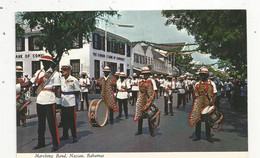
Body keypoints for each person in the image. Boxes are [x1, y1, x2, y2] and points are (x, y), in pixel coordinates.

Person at [20, 54, 61, 152]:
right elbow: (29, 83)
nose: (43, 63)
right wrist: (20, 85)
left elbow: (58, 88)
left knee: (52, 123)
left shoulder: (55, 74)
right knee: (41, 123)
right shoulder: (38, 72)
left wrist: (58, 101)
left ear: (50, 63)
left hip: (50, 100)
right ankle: (41, 142)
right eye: (42, 61)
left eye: (45, 62)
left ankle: (55, 143)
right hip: (40, 100)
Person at [189, 67, 217, 143]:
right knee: (198, 119)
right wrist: (195, 103)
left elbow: (215, 94)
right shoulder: (197, 83)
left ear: (207, 75)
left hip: (208, 103)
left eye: (204, 75)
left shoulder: (212, 83)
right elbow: (194, 94)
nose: (203, 76)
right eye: (202, 75)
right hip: (199, 103)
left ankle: (208, 136)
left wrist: (212, 102)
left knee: (208, 120)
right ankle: (197, 135)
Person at [133, 66, 158, 137]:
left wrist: (151, 98)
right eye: (144, 74)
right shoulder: (140, 81)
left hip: (149, 100)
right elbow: (139, 92)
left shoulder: (151, 81)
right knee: (140, 115)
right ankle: (139, 130)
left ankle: (151, 131)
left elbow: (154, 90)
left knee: (150, 116)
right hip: (141, 100)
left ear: (148, 74)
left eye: (146, 74)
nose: (145, 75)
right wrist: (138, 99)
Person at [59, 64, 80, 143]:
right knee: (64, 119)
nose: (63, 71)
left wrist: (74, 100)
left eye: (65, 69)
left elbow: (77, 91)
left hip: (71, 102)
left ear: (69, 70)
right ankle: (65, 135)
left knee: (72, 120)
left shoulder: (74, 79)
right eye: (62, 69)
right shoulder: (61, 79)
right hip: (63, 101)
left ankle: (74, 136)